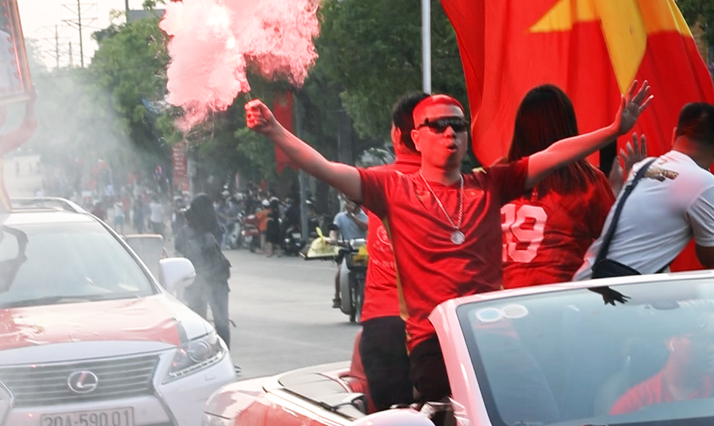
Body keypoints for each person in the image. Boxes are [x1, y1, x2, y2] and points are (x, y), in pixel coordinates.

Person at [244, 82, 653, 402]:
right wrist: (276, 130)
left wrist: (615, 129)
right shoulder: (391, 187)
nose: (449, 133)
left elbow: (554, 153)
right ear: (415, 138)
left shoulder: (491, 183)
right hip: (434, 343)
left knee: (537, 410)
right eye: (436, 126)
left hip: (500, 339)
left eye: (457, 124)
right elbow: (325, 168)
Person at [572, 103, 714, 281]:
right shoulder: (704, 183)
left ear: (674, 134)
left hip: (587, 279)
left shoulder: (642, 168)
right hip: (618, 293)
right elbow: (710, 257)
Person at [500, 85, 617, 288]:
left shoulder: (498, 175)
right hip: (561, 298)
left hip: (505, 299)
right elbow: (613, 243)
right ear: (567, 127)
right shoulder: (586, 180)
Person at [360, 91, 428, 411]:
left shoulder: (376, 181)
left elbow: (321, 166)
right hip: (436, 326)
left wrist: (275, 129)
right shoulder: (461, 186)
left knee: (391, 417)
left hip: (383, 322)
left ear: (397, 134)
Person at [175, 194, 232, 346]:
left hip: (195, 282)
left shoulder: (185, 231)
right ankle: (224, 357)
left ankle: (201, 359)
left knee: (198, 325)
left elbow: (178, 249)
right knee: (222, 323)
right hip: (218, 279)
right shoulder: (216, 227)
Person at [330, 195, 368, 308]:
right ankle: (337, 297)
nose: (348, 204)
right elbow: (334, 230)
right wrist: (333, 238)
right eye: (347, 202)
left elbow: (364, 227)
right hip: (346, 249)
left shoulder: (364, 216)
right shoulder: (340, 217)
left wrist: (352, 215)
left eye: (351, 202)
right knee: (341, 271)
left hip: (362, 250)